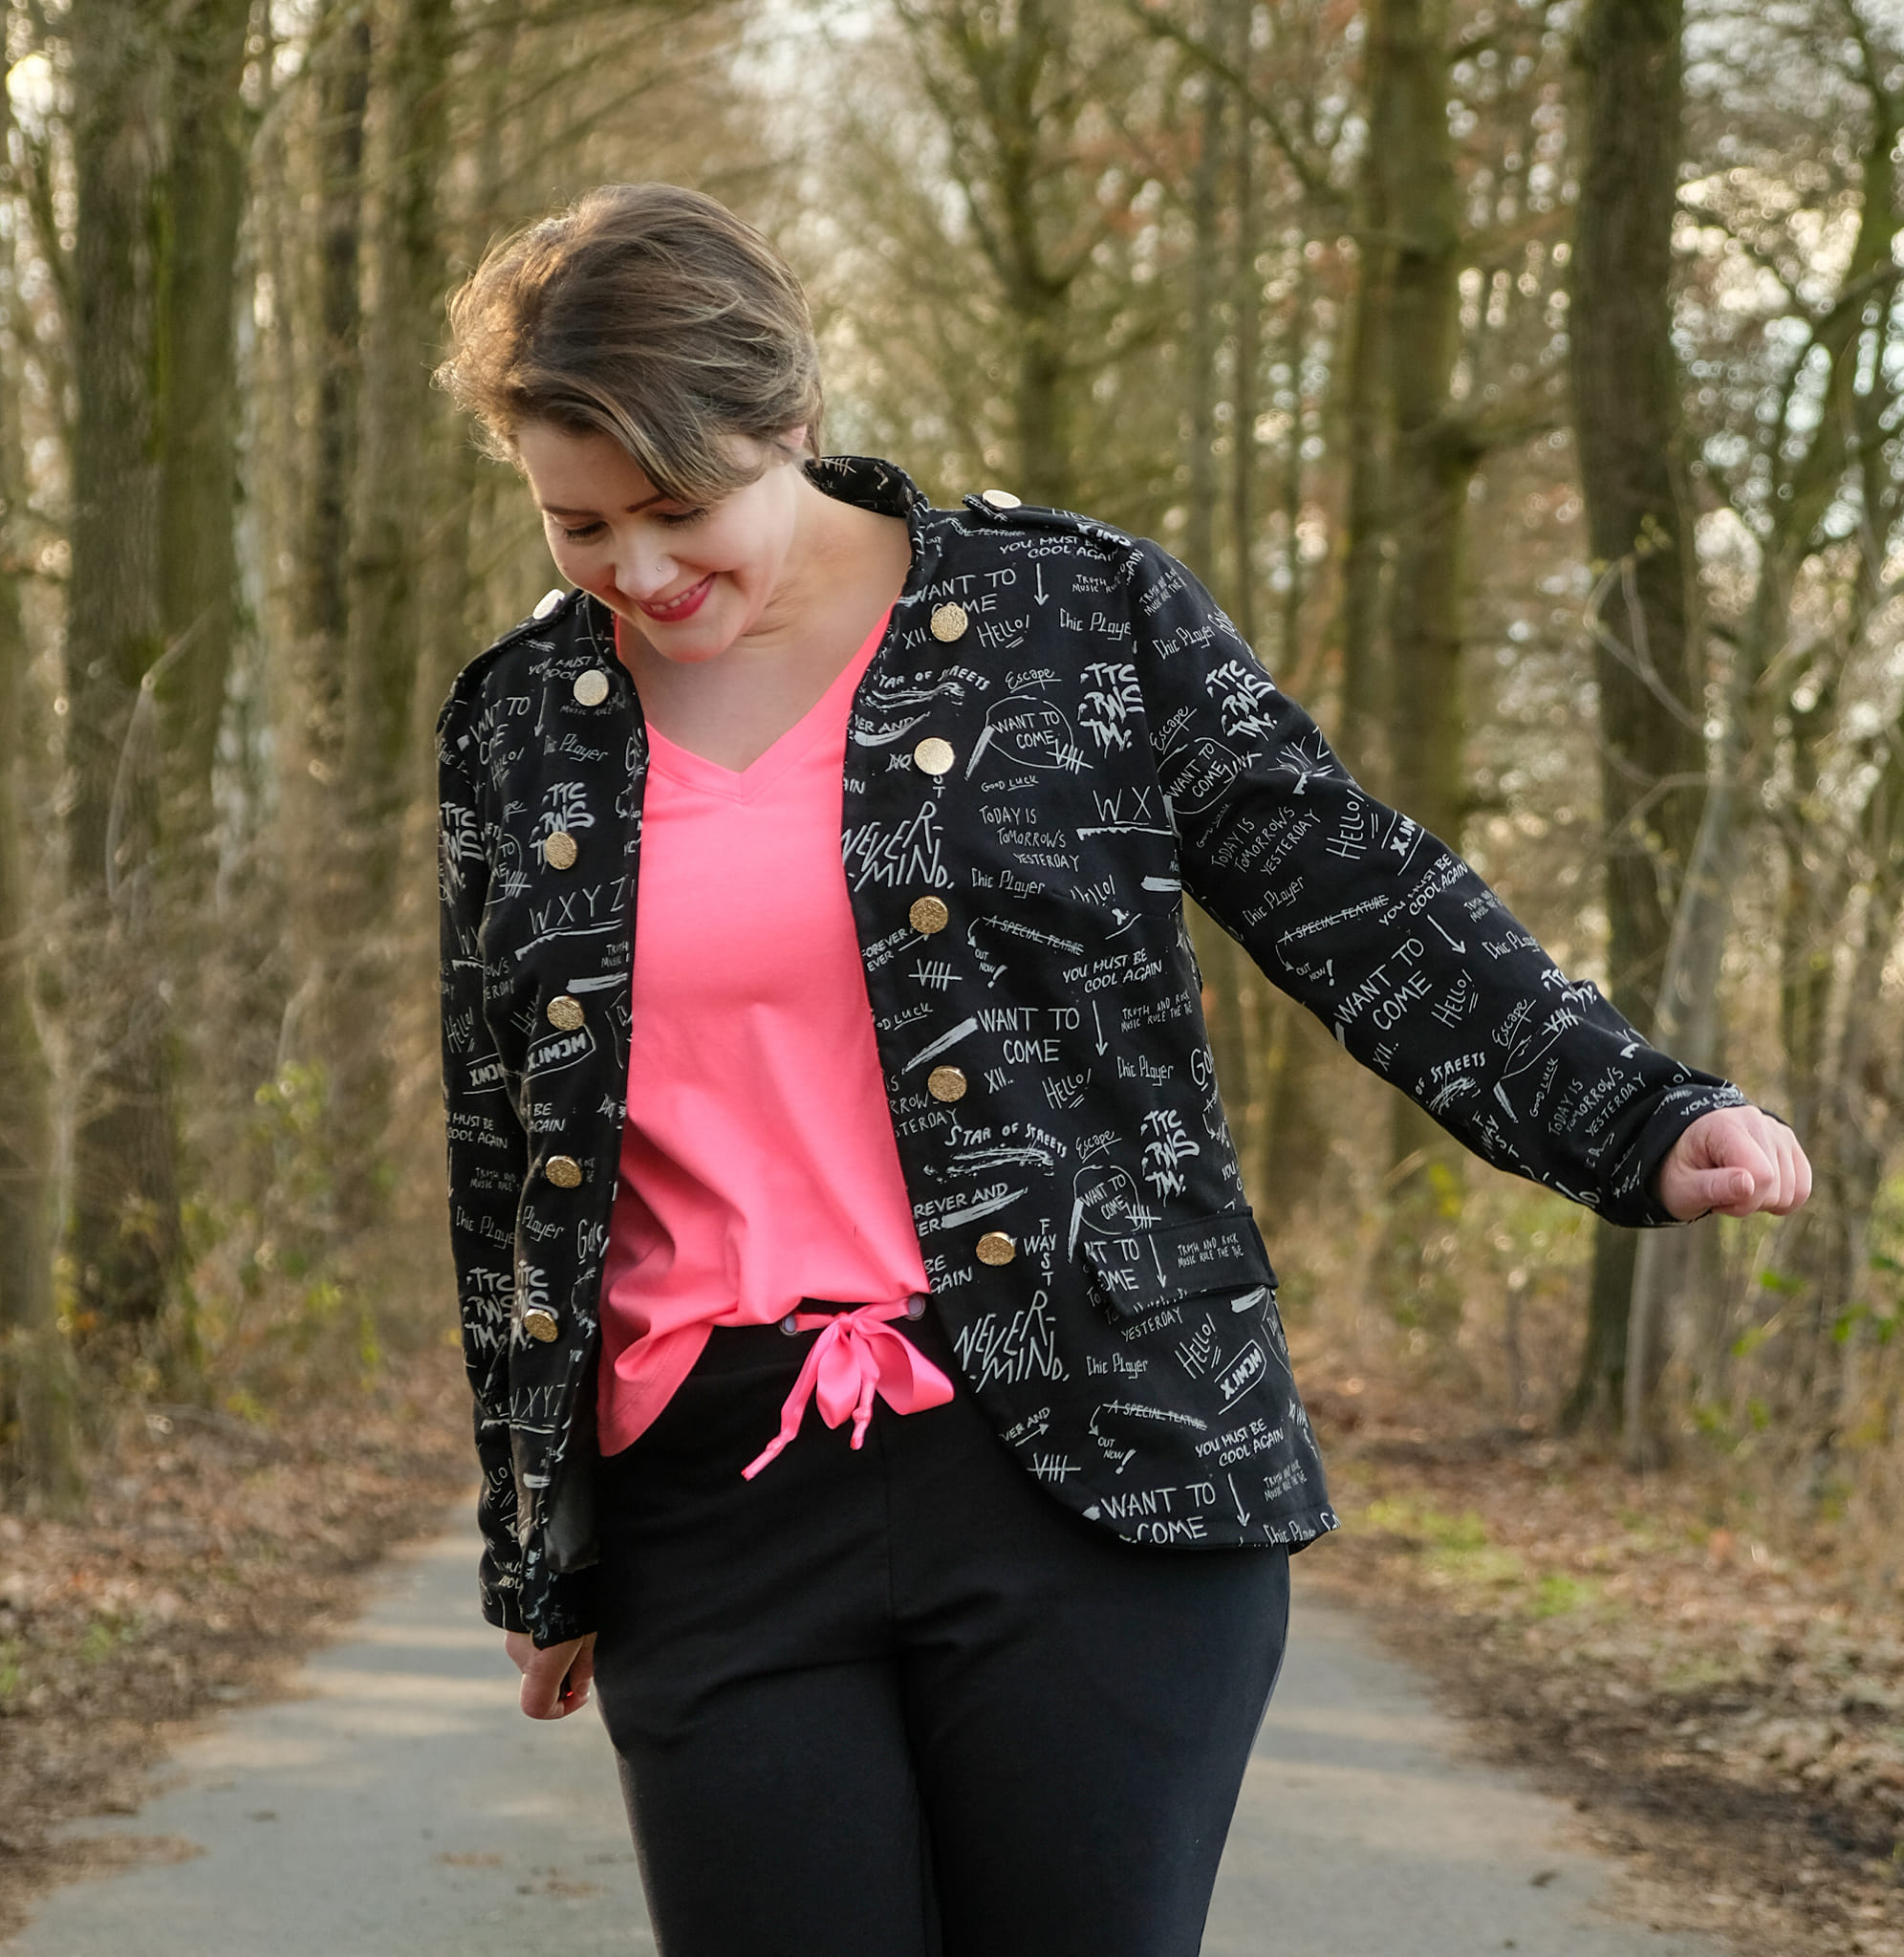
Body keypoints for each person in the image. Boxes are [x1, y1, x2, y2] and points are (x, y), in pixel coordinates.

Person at [432, 183, 1810, 1957]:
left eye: (679, 509)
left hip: (1098, 1450)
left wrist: (1636, 1111)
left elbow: (1347, 887)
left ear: (792, 424)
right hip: (714, 1493)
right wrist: (536, 1537)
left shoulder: (1073, 615)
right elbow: (505, 1147)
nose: (638, 571)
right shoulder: (518, 725)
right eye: (580, 523)